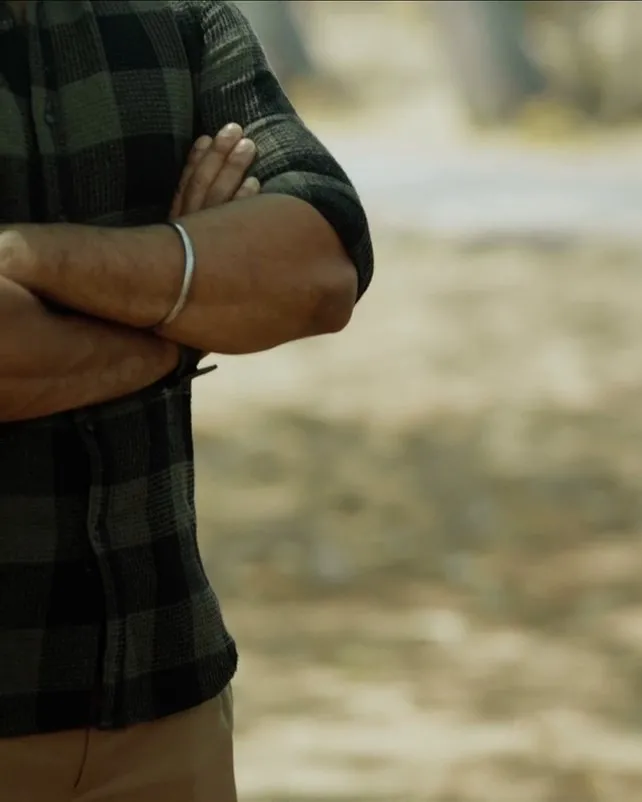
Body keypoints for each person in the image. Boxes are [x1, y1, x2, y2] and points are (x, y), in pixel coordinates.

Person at [0, 1, 374, 800]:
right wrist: (181, 299)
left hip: (169, 708)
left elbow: (319, 268)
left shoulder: (180, 14)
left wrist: (29, 260)